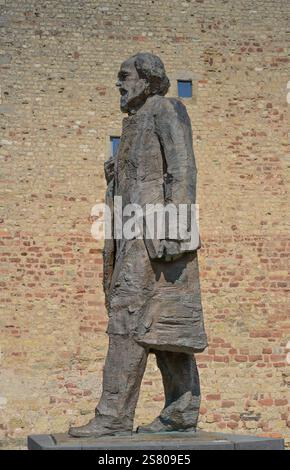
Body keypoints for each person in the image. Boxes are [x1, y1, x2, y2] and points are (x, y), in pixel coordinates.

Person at [69, 52, 207, 438]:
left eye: (125, 76)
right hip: (133, 232)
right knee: (163, 323)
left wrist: (176, 231)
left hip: (155, 232)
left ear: (147, 79)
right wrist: (113, 180)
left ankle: (113, 414)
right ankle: (181, 410)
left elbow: (182, 170)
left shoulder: (166, 108)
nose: (119, 84)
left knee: (131, 317)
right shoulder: (133, 124)